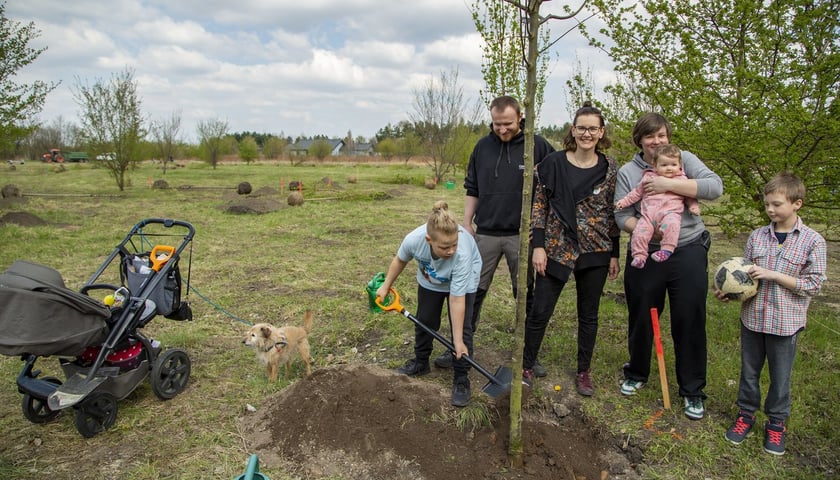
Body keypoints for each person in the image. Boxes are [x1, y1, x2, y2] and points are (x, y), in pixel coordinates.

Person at [435, 95, 555, 376]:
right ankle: (459, 344)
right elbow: (472, 187)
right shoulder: (481, 148)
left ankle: (528, 355)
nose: (502, 129)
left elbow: (553, 185)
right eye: (497, 124)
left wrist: (542, 229)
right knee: (471, 291)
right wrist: (467, 223)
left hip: (521, 235)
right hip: (485, 233)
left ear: (521, 117)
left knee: (524, 294)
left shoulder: (536, 146)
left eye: (508, 124)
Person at [614, 113, 723, 420]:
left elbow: (715, 187)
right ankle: (636, 372)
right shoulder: (628, 171)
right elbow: (622, 216)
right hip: (646, 251)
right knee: (641, 315)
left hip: (687, 248)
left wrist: (668, 183)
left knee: (689, 317)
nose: (657, 141)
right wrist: (650, 230)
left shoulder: (683, 159)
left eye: (661, 135)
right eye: (650, 136)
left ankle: (692, 390)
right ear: (640, 140)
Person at [717, 173, 826, 455]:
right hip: (753, 318)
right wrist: (730, 292)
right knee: (749, 373)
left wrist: (775, 275)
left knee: (780, 378)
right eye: (767, 204)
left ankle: (776, 424)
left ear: (797, 203)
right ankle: (746, 415)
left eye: (776, 204)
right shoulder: (757, 236)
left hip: (785, 323)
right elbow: (744, 276)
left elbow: (812, 285)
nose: (770, 210)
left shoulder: (812, 241)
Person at [522, 101, 621, 396]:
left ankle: (583, 372)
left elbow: (612, 212)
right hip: (556, 247)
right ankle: (526, 365)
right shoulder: (552, 164)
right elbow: (539, 207)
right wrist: (537, 246)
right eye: (582, 128)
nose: (587, 134)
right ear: (573, 130)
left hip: (596, 248)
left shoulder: (609, 168)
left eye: (593, 128)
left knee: (588, 313)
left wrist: (615, 252)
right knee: (540, 310)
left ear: (601, 132)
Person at [376, 201, 482, 407]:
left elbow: (457, 299)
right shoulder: (414, 240)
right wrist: (386, 286)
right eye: (444, 246)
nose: (451, 250)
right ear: (428, 240)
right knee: (424, 320)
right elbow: (400, 260)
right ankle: (420, 362)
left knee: (463, 329)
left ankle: (461, 378)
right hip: (431, 278)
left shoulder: (462, 254)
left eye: (454, 244)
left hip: (463, 280)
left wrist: (458, 341)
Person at [615, 143, 701, 268]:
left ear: (680, 165)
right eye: (664, 165)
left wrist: (693, 207)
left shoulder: (682, 180)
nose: (669, 168)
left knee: (672, 226)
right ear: (655, 166)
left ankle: (666, 249)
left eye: (673, 165)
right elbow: (636, 193)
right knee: (639, 232)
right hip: (648, 216)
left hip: (670, 214)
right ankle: (639, 256)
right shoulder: (648, 177)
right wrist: (623, 202)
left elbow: (689, 197)